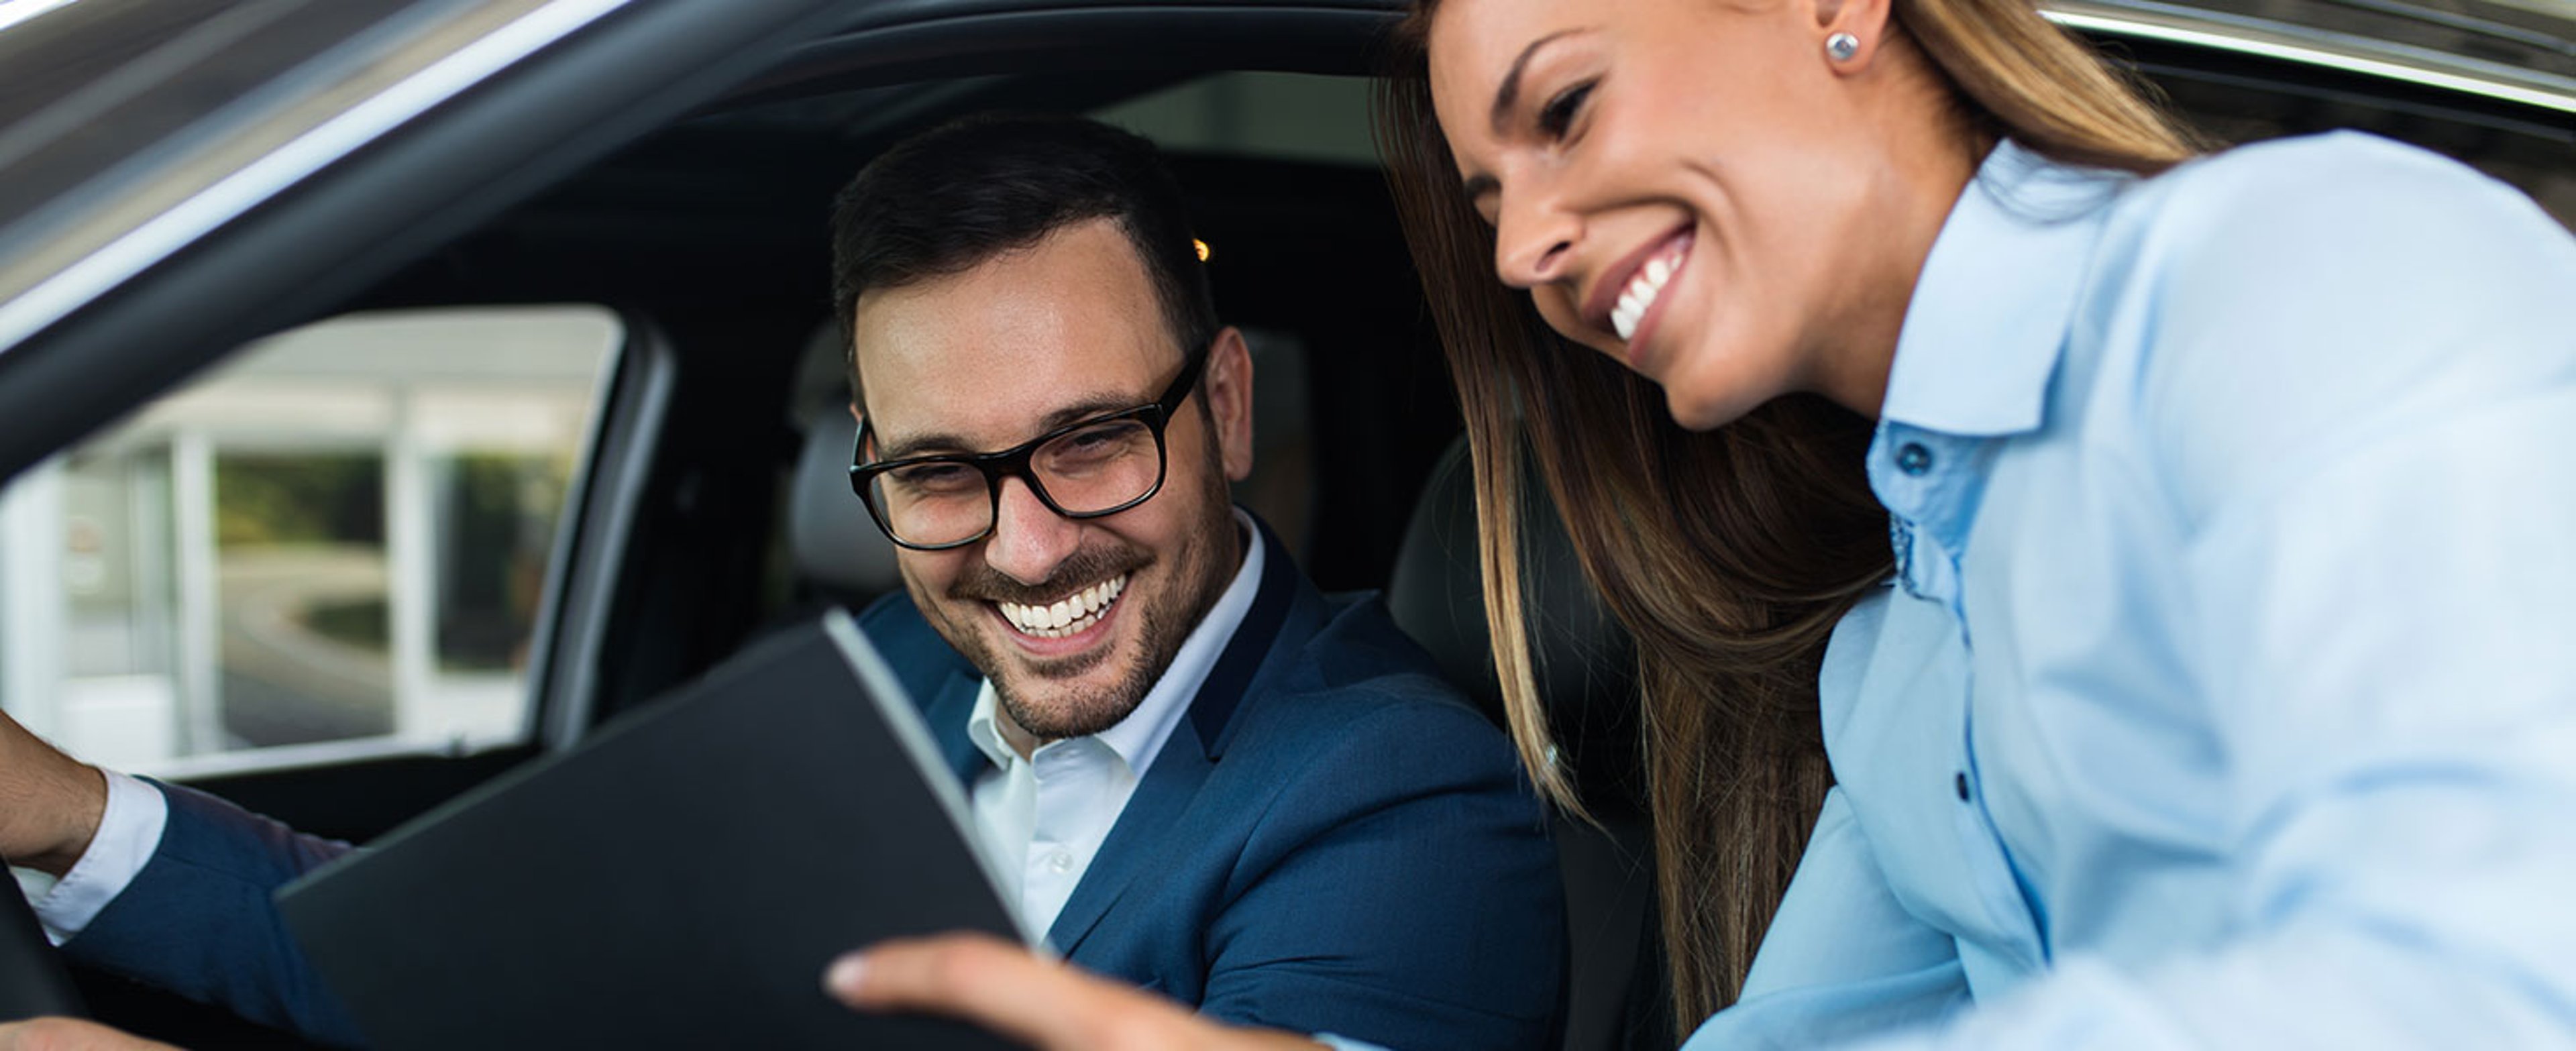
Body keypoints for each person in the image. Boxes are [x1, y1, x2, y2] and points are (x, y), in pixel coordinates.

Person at [818, 0, 2576, 1048]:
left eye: (1567, 109)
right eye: (1493, 197)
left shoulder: (2301, 274)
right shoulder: (1898, 655)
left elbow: (2477, 975)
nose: (1524, 248)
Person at [0, 113, 1564, 1050]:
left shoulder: (1406, 802)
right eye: (939, 474)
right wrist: (68, 812)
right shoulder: (888, 669)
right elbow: (489, 967)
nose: (1025, 551)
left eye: (1091, 444)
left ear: (1223, 407)